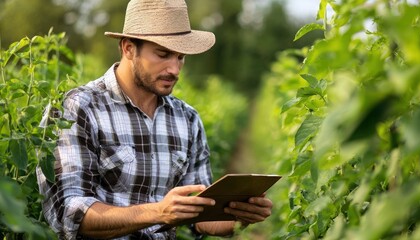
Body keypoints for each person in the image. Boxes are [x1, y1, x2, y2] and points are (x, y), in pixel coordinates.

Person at [36, 0, 273, 239]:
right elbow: (69, 212)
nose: (174, 69)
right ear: (128, 48)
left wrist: (238, 217)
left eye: (180, 57)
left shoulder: (187, 118)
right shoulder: (79, 108)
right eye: (163, 54)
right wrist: (158, 212)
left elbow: (198, 218)